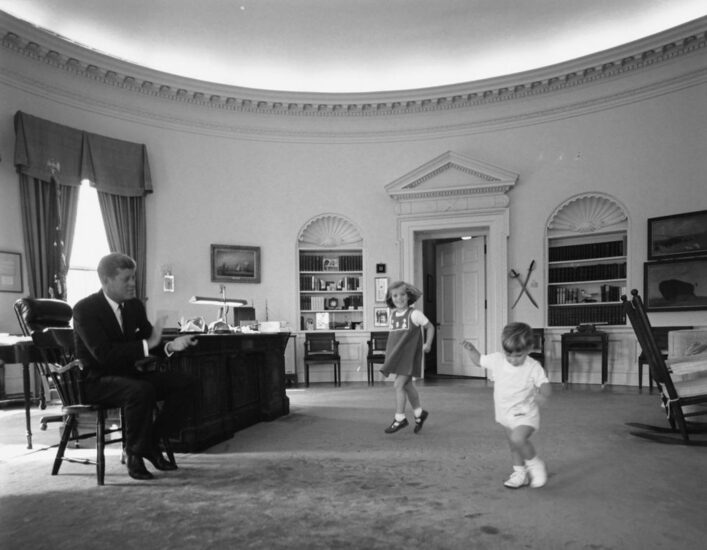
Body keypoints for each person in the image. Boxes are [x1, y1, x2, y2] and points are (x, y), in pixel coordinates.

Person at [72, 252, 198, 481]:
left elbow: (151, 339)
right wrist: (145, 345)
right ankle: (135, 453)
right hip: (96, 381)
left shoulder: (134, 307)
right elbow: (103, 355)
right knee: (140, 390)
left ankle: (151, 442)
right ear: (106, 280)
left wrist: (171, 346)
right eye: (126, 279)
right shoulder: (84, 309)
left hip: (129, 377)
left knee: (185, 383)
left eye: (133, 278)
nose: (132, 284)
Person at [461, 322, 551, 488]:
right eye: (509, 355)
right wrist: (471, 350)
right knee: (514, 446)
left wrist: (542, 395)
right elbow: (479, 360)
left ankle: (535, 465)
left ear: (529, 348)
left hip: (526, 413)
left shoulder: (533, 367)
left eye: (519, 356)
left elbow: (545, 385)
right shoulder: (497, 360)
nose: (513, 359)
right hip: (505, 414)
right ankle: (520, 473)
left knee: (518, 438)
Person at [379, 281, 435, 434]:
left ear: (408, 296)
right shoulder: (392, 315)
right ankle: (419, 413)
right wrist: (389, 356)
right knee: (407, 385)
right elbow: (394, 339)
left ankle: (400, 418)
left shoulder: (415, 314)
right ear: (391, 299)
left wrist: (428, 343)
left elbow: (430, 327)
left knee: (398, 385)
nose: (399, 298)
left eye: (403, 294)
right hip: (398, 357)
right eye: (395, 295)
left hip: (409, 357)